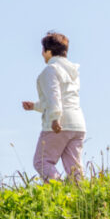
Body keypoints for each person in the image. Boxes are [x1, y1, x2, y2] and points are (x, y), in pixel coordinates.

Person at [22, 32, 86, 183]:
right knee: (74, 167)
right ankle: (80, 196)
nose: (42, 54)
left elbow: (54, 96)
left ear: (49, 52)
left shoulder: (50, 70)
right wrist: (35, 106)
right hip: (78, 124)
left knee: (41, 162)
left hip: (59, 124)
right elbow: (61, 98)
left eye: (43, 50)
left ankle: (58, 190)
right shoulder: (72, 72)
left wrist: (55, 118)